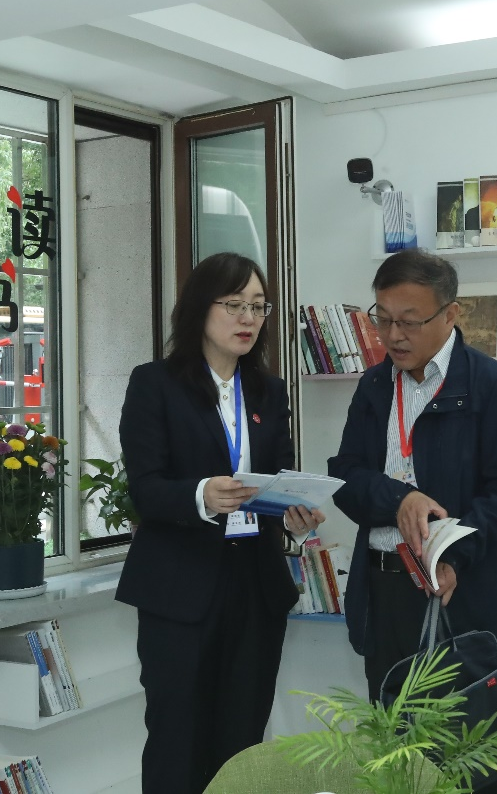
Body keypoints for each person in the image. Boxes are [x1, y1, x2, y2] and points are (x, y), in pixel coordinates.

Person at [116, 252, 324, 794]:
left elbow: (280, 476)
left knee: (242, 743)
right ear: (198, 309)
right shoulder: (155, 383)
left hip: (255, 586)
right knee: (177, 737)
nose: (248, 318)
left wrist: (295, 516)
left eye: (258, 306)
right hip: (180, 589)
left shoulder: (268, 391)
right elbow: (146, 488)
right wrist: (202, 495)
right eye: (234, 305)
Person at [329, 248, 497, 793]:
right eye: (382, 319)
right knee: (398, 765)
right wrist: (399, 498)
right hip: (386, 597)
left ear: (450, 314)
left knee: (473, 767)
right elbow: (346, 476)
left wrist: (450, 552)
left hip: (463, 598)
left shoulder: (492, 386)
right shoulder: (374, 387)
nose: (393, 336)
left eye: (409, 321)